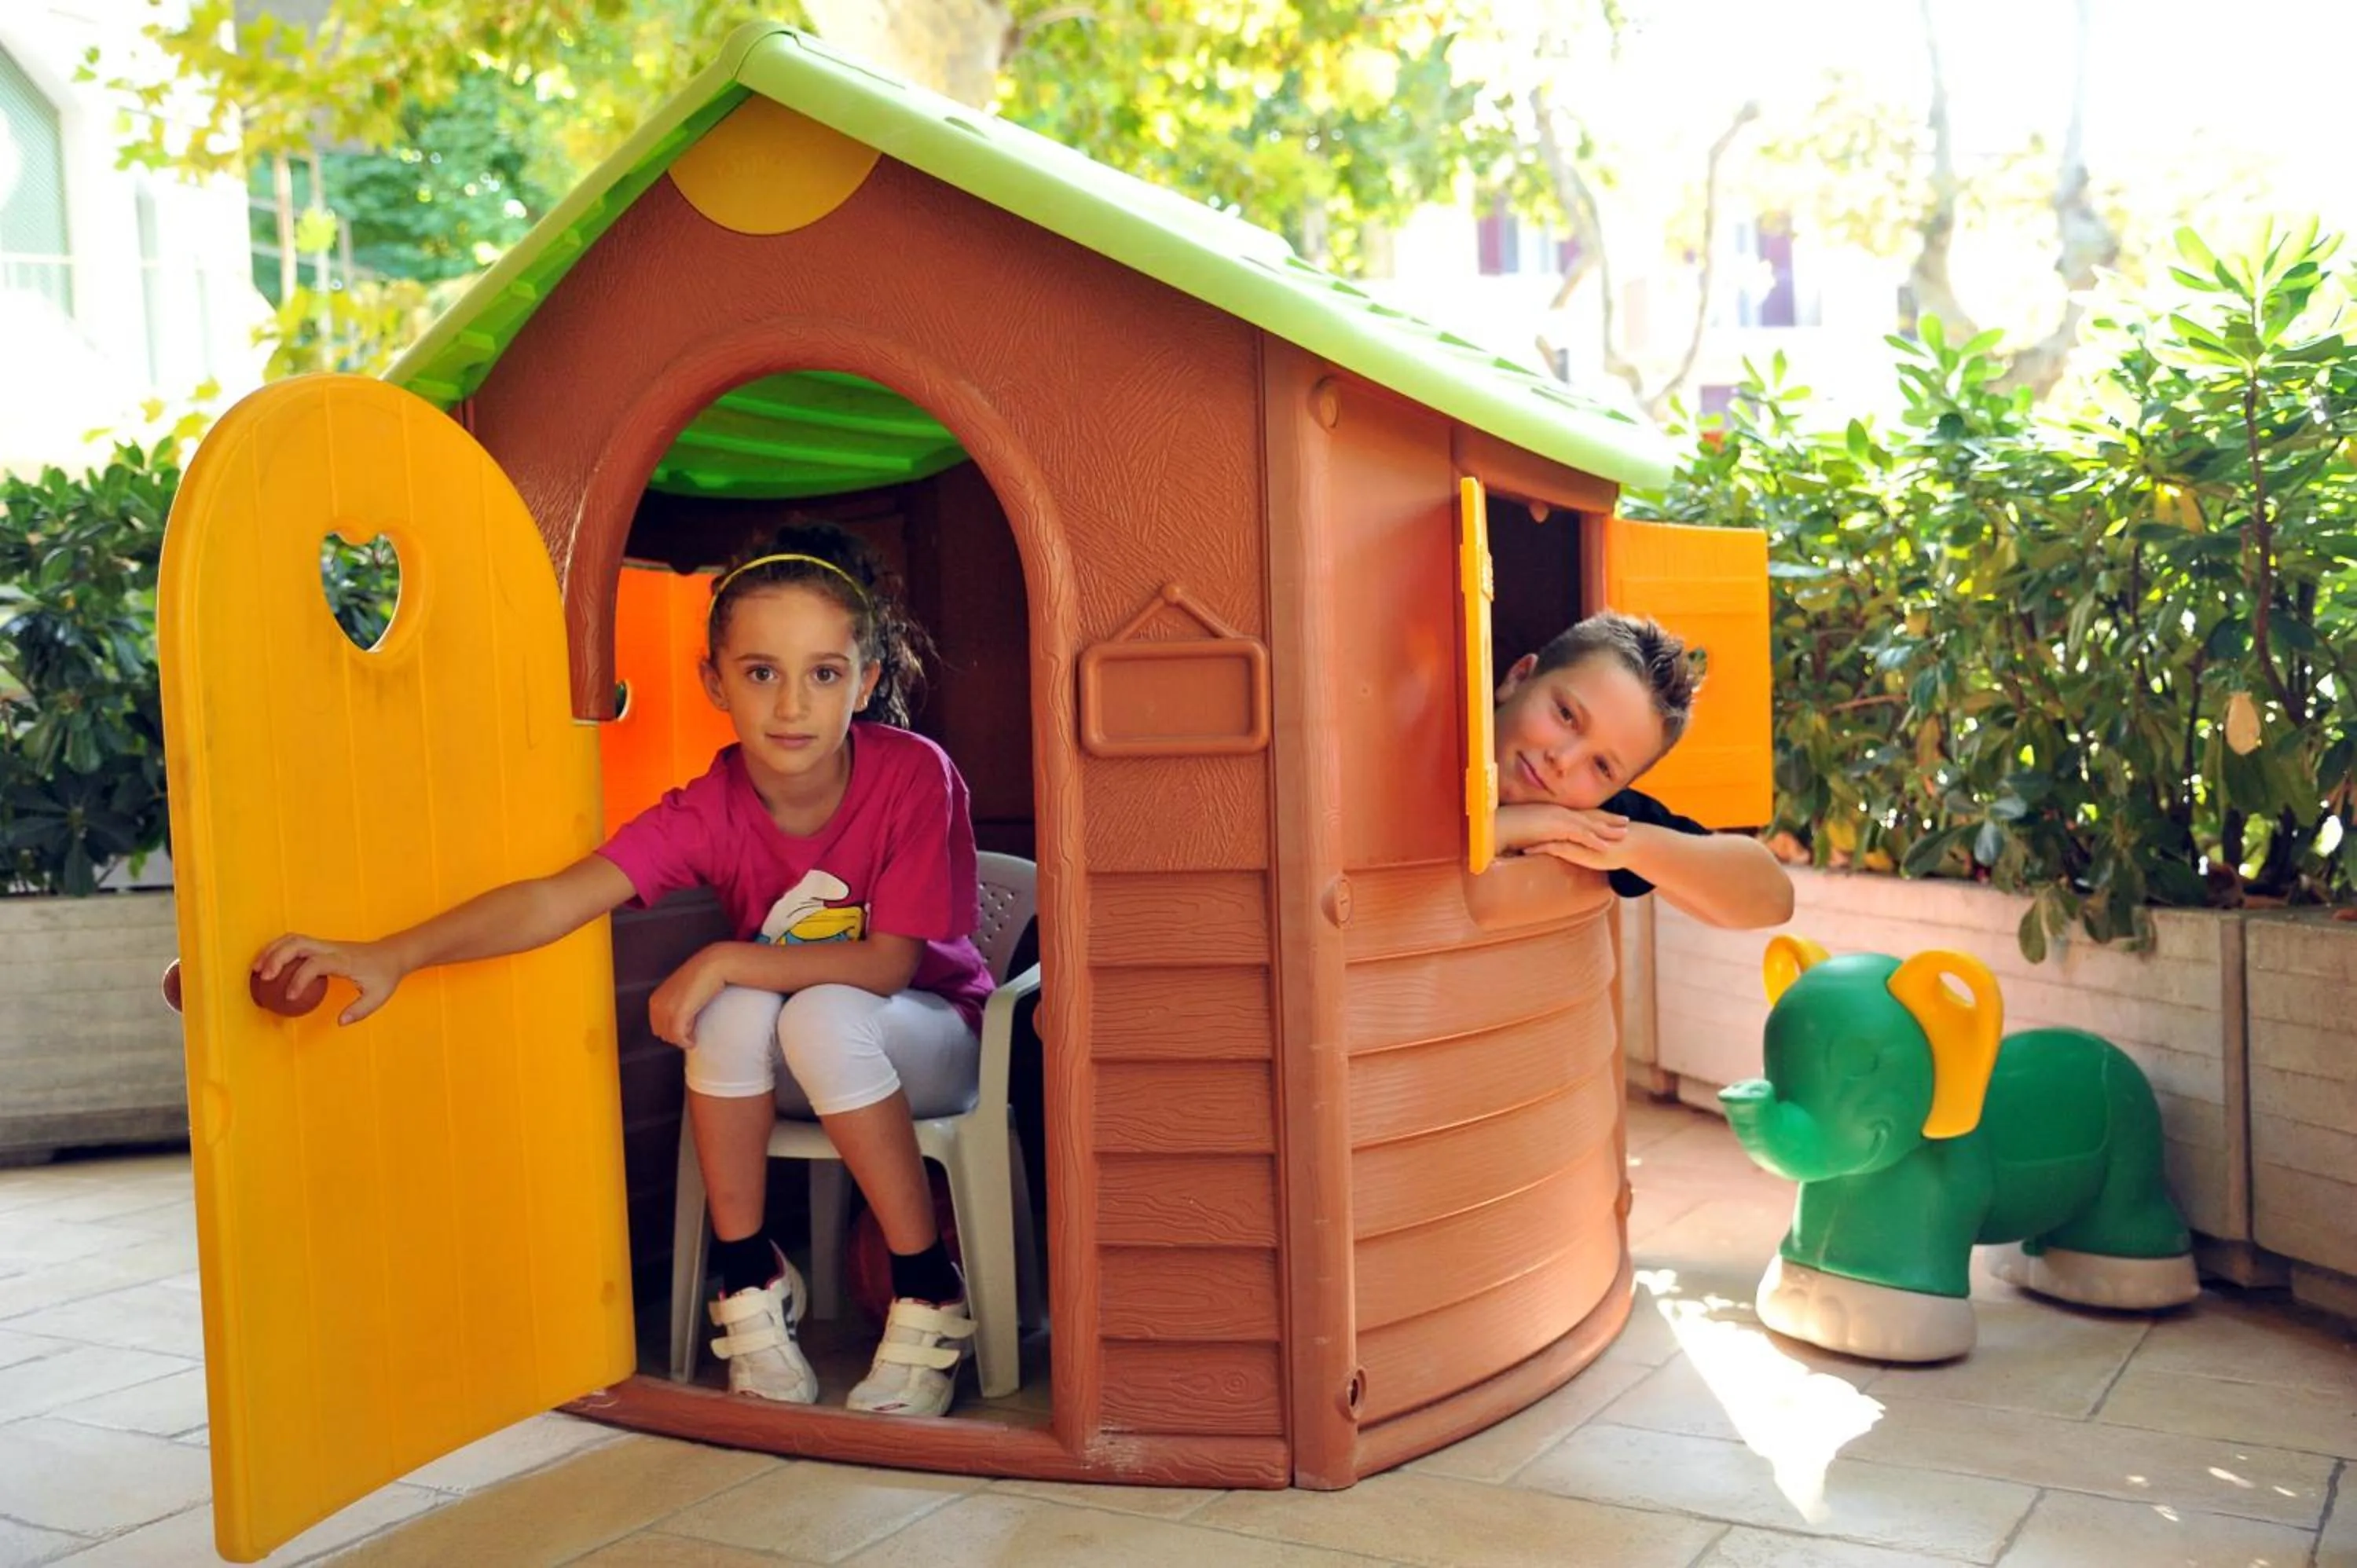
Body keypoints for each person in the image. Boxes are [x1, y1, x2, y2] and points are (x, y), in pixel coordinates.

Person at [252, 523, 992, 1418]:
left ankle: (928, 1287)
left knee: (815, 1009)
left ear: (866, 682)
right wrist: (393, 955)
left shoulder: (914, 775)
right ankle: (748, 1276)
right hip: (806, 1052)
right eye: (761, 672)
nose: (792, 704)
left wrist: (719, 955)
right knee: (733, 1018)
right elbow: (552, 900)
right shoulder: (707, 808)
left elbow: (887, 964)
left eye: (824, 673)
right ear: (715, 682)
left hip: (932, 1035)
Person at [1490, 610, 1794, 929]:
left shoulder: (1591, 818)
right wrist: (1502, 828)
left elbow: (1773, 899)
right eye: (1566, 715)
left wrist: (1620, 845)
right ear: (1519, 677)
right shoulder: (1435, 725)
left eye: (1602, 767)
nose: (1563, 760)